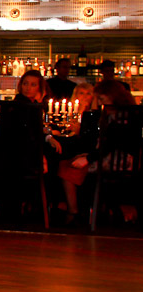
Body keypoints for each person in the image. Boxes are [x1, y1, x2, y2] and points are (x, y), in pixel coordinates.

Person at [54, 81, 99, 225]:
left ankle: (73, 211)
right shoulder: (68, 114)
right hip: (71, 151)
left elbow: (92, 140)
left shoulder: (96, 115)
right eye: (81, 93)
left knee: (69, 167)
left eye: (88, 93)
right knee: (63, 164)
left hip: (90, 154)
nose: (85, 96)